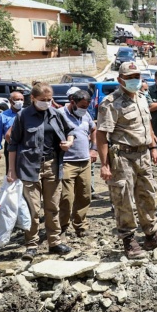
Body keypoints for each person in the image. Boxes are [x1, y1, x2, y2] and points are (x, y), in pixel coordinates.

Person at [97, 62, 157, 259]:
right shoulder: (110, 102)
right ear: (120, 79)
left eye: (137, 76)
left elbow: (146, 123)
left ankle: (151, 235)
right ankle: (129, 240)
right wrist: (105, 164)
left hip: (143, 155)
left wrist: (153, 147)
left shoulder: (141, 98)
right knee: (124, 199)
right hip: (122, 157)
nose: (135, 80)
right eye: (130, 77)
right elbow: (101, 135)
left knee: (148, 195)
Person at [7, 82, 77, 260]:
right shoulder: (23, 116)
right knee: (32, 209)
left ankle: (54, 242)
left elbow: (71, 131)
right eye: (42, 100)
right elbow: (13, 143)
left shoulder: (55, 114)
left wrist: (69, 142)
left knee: (52, 206)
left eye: (49, 99)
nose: (46, 102)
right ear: (33, 98)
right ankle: (31, 245)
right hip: (29, 167)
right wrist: (11, 170)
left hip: (52, 166)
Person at [59, 90, 97, 238]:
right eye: (81, 106)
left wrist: (93, 149)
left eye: (86, 107)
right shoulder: (59, 114)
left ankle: (80, 225)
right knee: (66, 198)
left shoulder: (86, 114)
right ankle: (61, 226)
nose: (84, 109)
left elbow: (93, 129)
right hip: (67, 162)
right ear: (72, 102)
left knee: (85, 195)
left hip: (84, 161)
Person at [0, 91, 25, 174]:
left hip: (25, 145)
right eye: (17, 99)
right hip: (10, 145)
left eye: (22, 99)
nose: (20, 101)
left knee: (25, 171)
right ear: (11, 101)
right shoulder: (3, 115)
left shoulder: (26, 113)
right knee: (11, 171)